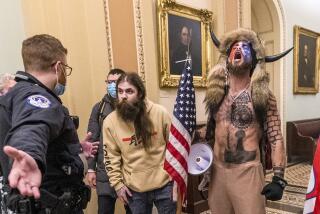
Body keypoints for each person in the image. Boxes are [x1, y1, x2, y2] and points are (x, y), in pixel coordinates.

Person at [0, 34, 97, 214]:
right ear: (58, 67)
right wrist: (28, 153)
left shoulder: (14, 95)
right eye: (65, 68)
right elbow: (32, 126)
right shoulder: (38, 98)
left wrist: (73, 149)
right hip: (51, 203)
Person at [204, 28, 292, 213]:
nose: (238, 49)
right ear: (227, 57)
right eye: (234, 47)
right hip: (218, 171)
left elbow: (275, 138)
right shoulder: (216, 94)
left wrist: (278, 178)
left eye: (245, 47)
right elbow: (213, 130)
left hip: (247, 172)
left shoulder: (263, 96)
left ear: (253, 59)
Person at [102, 72, 176, 214]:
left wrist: (176, 179)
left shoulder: (160, 113)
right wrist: (117, 185)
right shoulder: (110, 122)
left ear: (140, 93)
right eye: (120, 91)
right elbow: (110, 156)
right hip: (134, 189)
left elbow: (173, 148)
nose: (123, 96)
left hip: (164, 183)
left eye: (129, 91)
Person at [86, 68, 132, 214]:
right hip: (104, 171)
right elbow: (92, 140)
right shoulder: (99, 108)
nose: (112, 85)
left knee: (133, 209)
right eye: (109, 82)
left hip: (129, 172)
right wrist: (90, 169)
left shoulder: (133, 108)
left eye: (115, 82)